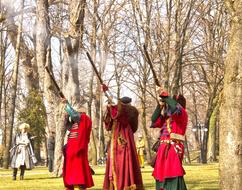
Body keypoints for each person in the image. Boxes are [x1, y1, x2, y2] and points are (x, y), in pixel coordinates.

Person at [102, 85, 144, 190]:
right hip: (127, 136)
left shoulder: (119, 109)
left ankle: (120, 183)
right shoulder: (133, 110)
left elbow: (110, 122)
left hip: (118, 136)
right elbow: (134, 127)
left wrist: (110, 107)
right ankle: (125, 182)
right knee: (125, 159)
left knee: (118, 159)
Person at [150, 88, 188, 190]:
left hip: (173, 148)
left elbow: (176, 108)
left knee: (173, 173)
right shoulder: (167, 118)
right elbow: (154, 120)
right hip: (162, 149)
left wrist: (165, 96)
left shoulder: (182, 114)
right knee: (161, 175)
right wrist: (160, 105)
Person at [62, 99, 94, 190]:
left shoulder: (83, 118)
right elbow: (70, 128)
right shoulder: (78, 122)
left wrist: (66, 104)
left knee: (78, 171)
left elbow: (74, 114)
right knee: (72, 170)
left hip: (77, 149)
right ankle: (71, 186)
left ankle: (80, 186)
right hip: (72, 149)